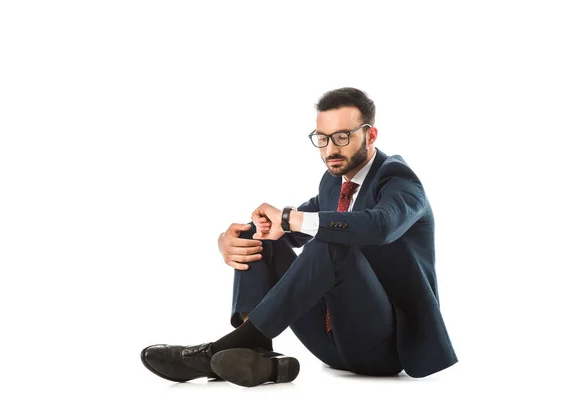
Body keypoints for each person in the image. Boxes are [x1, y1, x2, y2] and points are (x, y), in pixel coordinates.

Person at [140, 87, 458, 387]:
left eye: (342, 137)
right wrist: (232, 240)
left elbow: (380, 226)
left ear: (370, 134)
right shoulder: (333, 183)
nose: (331, 149)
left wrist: (290, 218)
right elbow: (290, 228)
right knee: (261, 233)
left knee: (330, 247)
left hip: (384, 348)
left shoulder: (399, 180)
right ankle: (258, 353)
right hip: (330, 346)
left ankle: (216, 352)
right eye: (322, 138)